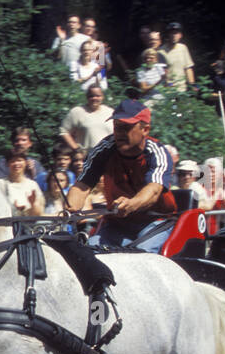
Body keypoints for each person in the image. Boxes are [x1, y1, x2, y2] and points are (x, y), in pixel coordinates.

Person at [65, 99, 176, 254]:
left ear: (145, 130)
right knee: (88, 253)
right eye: (117, 127)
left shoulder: (157, 153)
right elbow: (82, 185)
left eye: (126, 128)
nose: (119, 133)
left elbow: (153, 191)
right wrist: (71, 207)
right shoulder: (104, 149)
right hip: (116, 223)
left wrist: (131, 204)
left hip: (154, 222)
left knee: (141, 258)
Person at [59, 87, 114, 151]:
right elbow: (64, 132)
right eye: (91, 96)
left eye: (98, 96)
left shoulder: (110, 112)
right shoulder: (77, 112)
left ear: (103, 97)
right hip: (87, 156)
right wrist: (76, 149)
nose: (94, 98)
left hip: (109, 155)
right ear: (87, 97)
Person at [159, 22, 195, 90]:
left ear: (180, 35)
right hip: (168, 90)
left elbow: (188, 68)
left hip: (182, 90)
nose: (174, 35)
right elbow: (160, 73)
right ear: (168, 34)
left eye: (176, 33)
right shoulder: (161, 51)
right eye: (172, 33)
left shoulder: (183, 48)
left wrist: (192, 85)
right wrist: (167, 85)